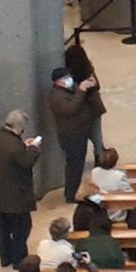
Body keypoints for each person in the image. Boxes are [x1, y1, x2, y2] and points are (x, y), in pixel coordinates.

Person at [0, 110, 44, 268]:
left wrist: (23, 146)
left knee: (3, 225)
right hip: (15, 194)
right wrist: (34, 148)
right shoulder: (14, 146)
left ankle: (5, 256)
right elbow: (26, 161)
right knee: (22, 227)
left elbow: (8, 155)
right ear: (20, 128)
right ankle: (19, 259)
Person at [46, 68, 103, 202]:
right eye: (66, 77)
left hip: (79, 131)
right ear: (58, 82)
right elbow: (70, 109)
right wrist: (81, 90)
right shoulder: (56, 96)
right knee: (74, 166)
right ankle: (70, 194)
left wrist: (88, 86)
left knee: (78, 165)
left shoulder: (69, 89)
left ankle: (73, 191)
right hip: (71, 136)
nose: (69, 79)